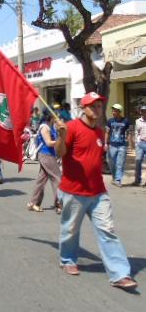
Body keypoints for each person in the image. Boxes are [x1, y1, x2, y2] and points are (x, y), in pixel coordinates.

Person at [54, 92, 137, 290]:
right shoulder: (71, 127)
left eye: (100, 106)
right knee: (70, 230)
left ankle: (119, 274)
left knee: (108, 231)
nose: (97, 110)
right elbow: (60, 153)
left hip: (98, 192)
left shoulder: (100, 132)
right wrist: (61, 136)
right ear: (83, 108)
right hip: (74, 191)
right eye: (93, 106)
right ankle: (67, 260)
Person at [27, 109, 62, 214]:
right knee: (57, 178)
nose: (57, 117)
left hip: (49, 155)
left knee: (41, 180)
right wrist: (61, 141)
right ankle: (59, 203)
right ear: (50, 116)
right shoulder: (45, 127)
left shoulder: (51, 126)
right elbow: (48, 142)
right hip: (46, 155)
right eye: (55, 115)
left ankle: (33, 203)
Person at [104, 103, 130, 187]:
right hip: (112, 145)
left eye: (115, 111)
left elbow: (128, 133)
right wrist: (105, 143)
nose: (113, 112)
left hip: (122, 145)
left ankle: (118, 180)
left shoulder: (125, 121)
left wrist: (128, 143)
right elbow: (107, 133)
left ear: (119, 112)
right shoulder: (110, 121)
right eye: (113, 111)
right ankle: (114, 177)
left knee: (120, 163)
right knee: (111, 162)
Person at [132, 105, 146, 186]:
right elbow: (136, 132)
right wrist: (137, 142)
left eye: (145, 111)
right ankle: (137, 180)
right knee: (138, 162)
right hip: (140, 143)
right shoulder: (137, 121)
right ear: (141, 112)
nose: (144, 113)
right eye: (143, 111)